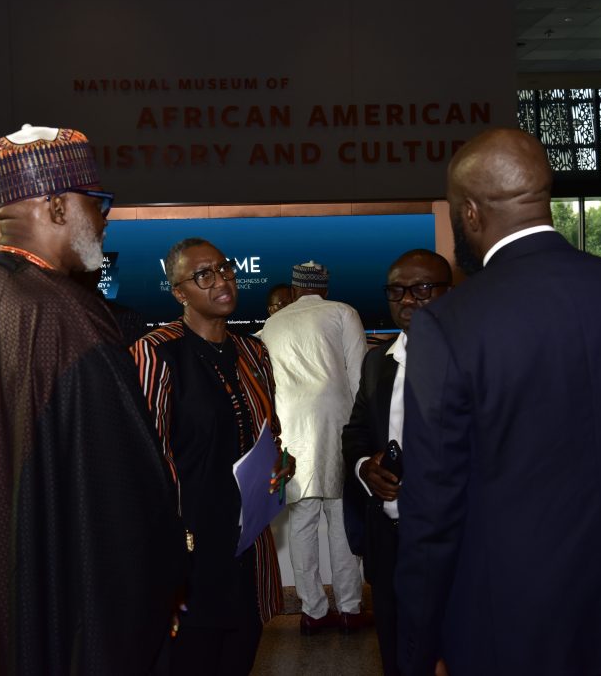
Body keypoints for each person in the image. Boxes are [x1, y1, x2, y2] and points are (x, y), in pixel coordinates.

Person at [396, 128, 601, 676]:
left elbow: (433, 511)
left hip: (508, 632)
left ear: (471, 214)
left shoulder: (451, 324)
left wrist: (418, 646)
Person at [0, 124, 187, 675]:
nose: (105, 219)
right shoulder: (69, 315)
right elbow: (121, 484)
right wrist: (167, 565)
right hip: (63, 594)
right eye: (99, 204)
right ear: (58, 206)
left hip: (1, 571)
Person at [130, 237, 295, 676]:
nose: (221, 280)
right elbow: (144, 459)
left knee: (240, 657)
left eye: (224, 269)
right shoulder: (157, 352)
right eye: (204, 275)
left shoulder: (254, 352)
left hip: (247, 545)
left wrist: (282, 462)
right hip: (189, 555)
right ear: (179, 292)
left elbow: (269, 435)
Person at [342, 249, 452, 676]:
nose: (408, 300)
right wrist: (365, 470)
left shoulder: (472, 360)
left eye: (423, 288)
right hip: (388, 536)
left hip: (451, 538)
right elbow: (355, 434)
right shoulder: (377, 363)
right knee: (396, 650)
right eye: (397, 291)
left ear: (449, 292)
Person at [259, 261, 370, 635]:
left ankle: (313, 612)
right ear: (323, 286)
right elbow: (359, 376)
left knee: (303, 524)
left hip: (291, 433)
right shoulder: (342, 312)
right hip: (339, 427)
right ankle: (351, 610)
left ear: (294, 288)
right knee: (340, 521)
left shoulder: (273, 324)